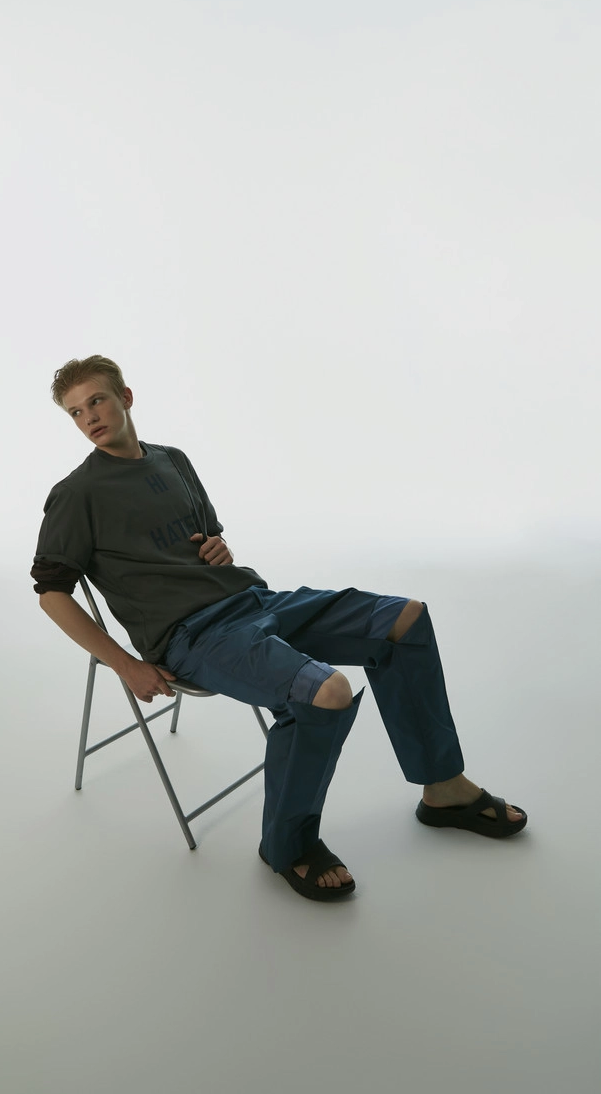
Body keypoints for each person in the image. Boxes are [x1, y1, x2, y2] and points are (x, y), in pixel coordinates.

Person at [31, 356, 527, 902]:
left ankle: (444, 786)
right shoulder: (76, 494)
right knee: (328, 691)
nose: (89, 417)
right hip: (193, 637)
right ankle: (287, 846)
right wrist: (125, 665)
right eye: (75, 412)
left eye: (96, 401)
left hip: (253, 601)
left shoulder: (172, 460)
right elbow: (52, 593)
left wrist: (217, 548)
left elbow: (207, 536)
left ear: (125, 397)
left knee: (404, 619)